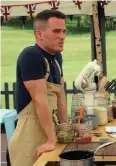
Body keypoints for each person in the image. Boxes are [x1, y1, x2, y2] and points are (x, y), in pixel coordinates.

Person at [8, 9, 68, 166]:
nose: (62, 36)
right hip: (30, 135)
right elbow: (39, 100)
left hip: (50, 129)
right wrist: (50, 139)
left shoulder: (56, 58)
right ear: (39, 34)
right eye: (56, 31)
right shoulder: (31, 55)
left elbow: (60, 93)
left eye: (63, 31)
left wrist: (65, 127)